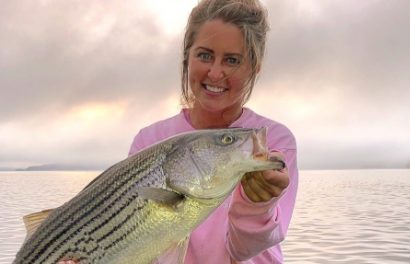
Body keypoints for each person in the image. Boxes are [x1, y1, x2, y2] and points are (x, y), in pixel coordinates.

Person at [60, 0, 298, 263]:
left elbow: (245, 252)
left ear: (254, 67)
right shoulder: (148, 141)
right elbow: (136, 248)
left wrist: (257, 204)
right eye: (205, 55)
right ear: (187, 56)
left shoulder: (273, 142)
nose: (216, 72)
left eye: (232, 60)